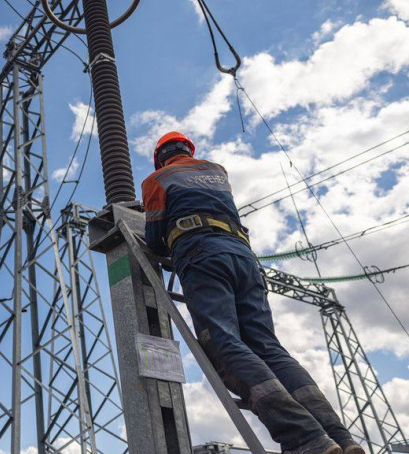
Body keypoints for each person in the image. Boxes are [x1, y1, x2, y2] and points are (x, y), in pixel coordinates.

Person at [141, 132, 364, 454]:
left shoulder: (157, 179)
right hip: (243, 257)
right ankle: (340, 439)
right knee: (268, 346)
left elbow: (154, 239)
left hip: (200, 252)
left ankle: (306, 440)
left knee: (223, 340)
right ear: (189, 150)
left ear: (159, 157)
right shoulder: (216, 171)